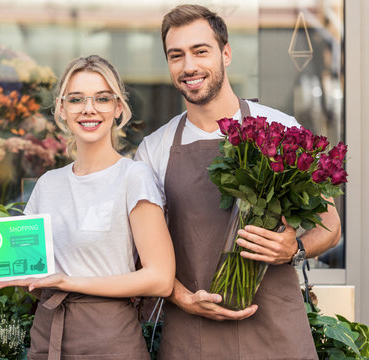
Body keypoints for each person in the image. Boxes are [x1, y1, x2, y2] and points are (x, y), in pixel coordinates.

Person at [135, 4, 341, 359]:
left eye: (201, 51)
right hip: (193, 333)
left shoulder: (280, 128)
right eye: (176, 55)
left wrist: (295, 249)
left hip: (276, 331)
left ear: (225, 54)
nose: (189, 66)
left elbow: (330, 225)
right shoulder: (154, 149)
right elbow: (141, 253)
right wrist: (185, 299)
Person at [0, 55, 175, 360]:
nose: (89, 108)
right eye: (76, 99)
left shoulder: (133, 177)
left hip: (108, 338)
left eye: (102, 98)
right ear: (61, 108)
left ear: (118, 108)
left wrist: (67, 281)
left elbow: (160, 279)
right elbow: (31, 267)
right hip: (49, 334)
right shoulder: (48, 183)